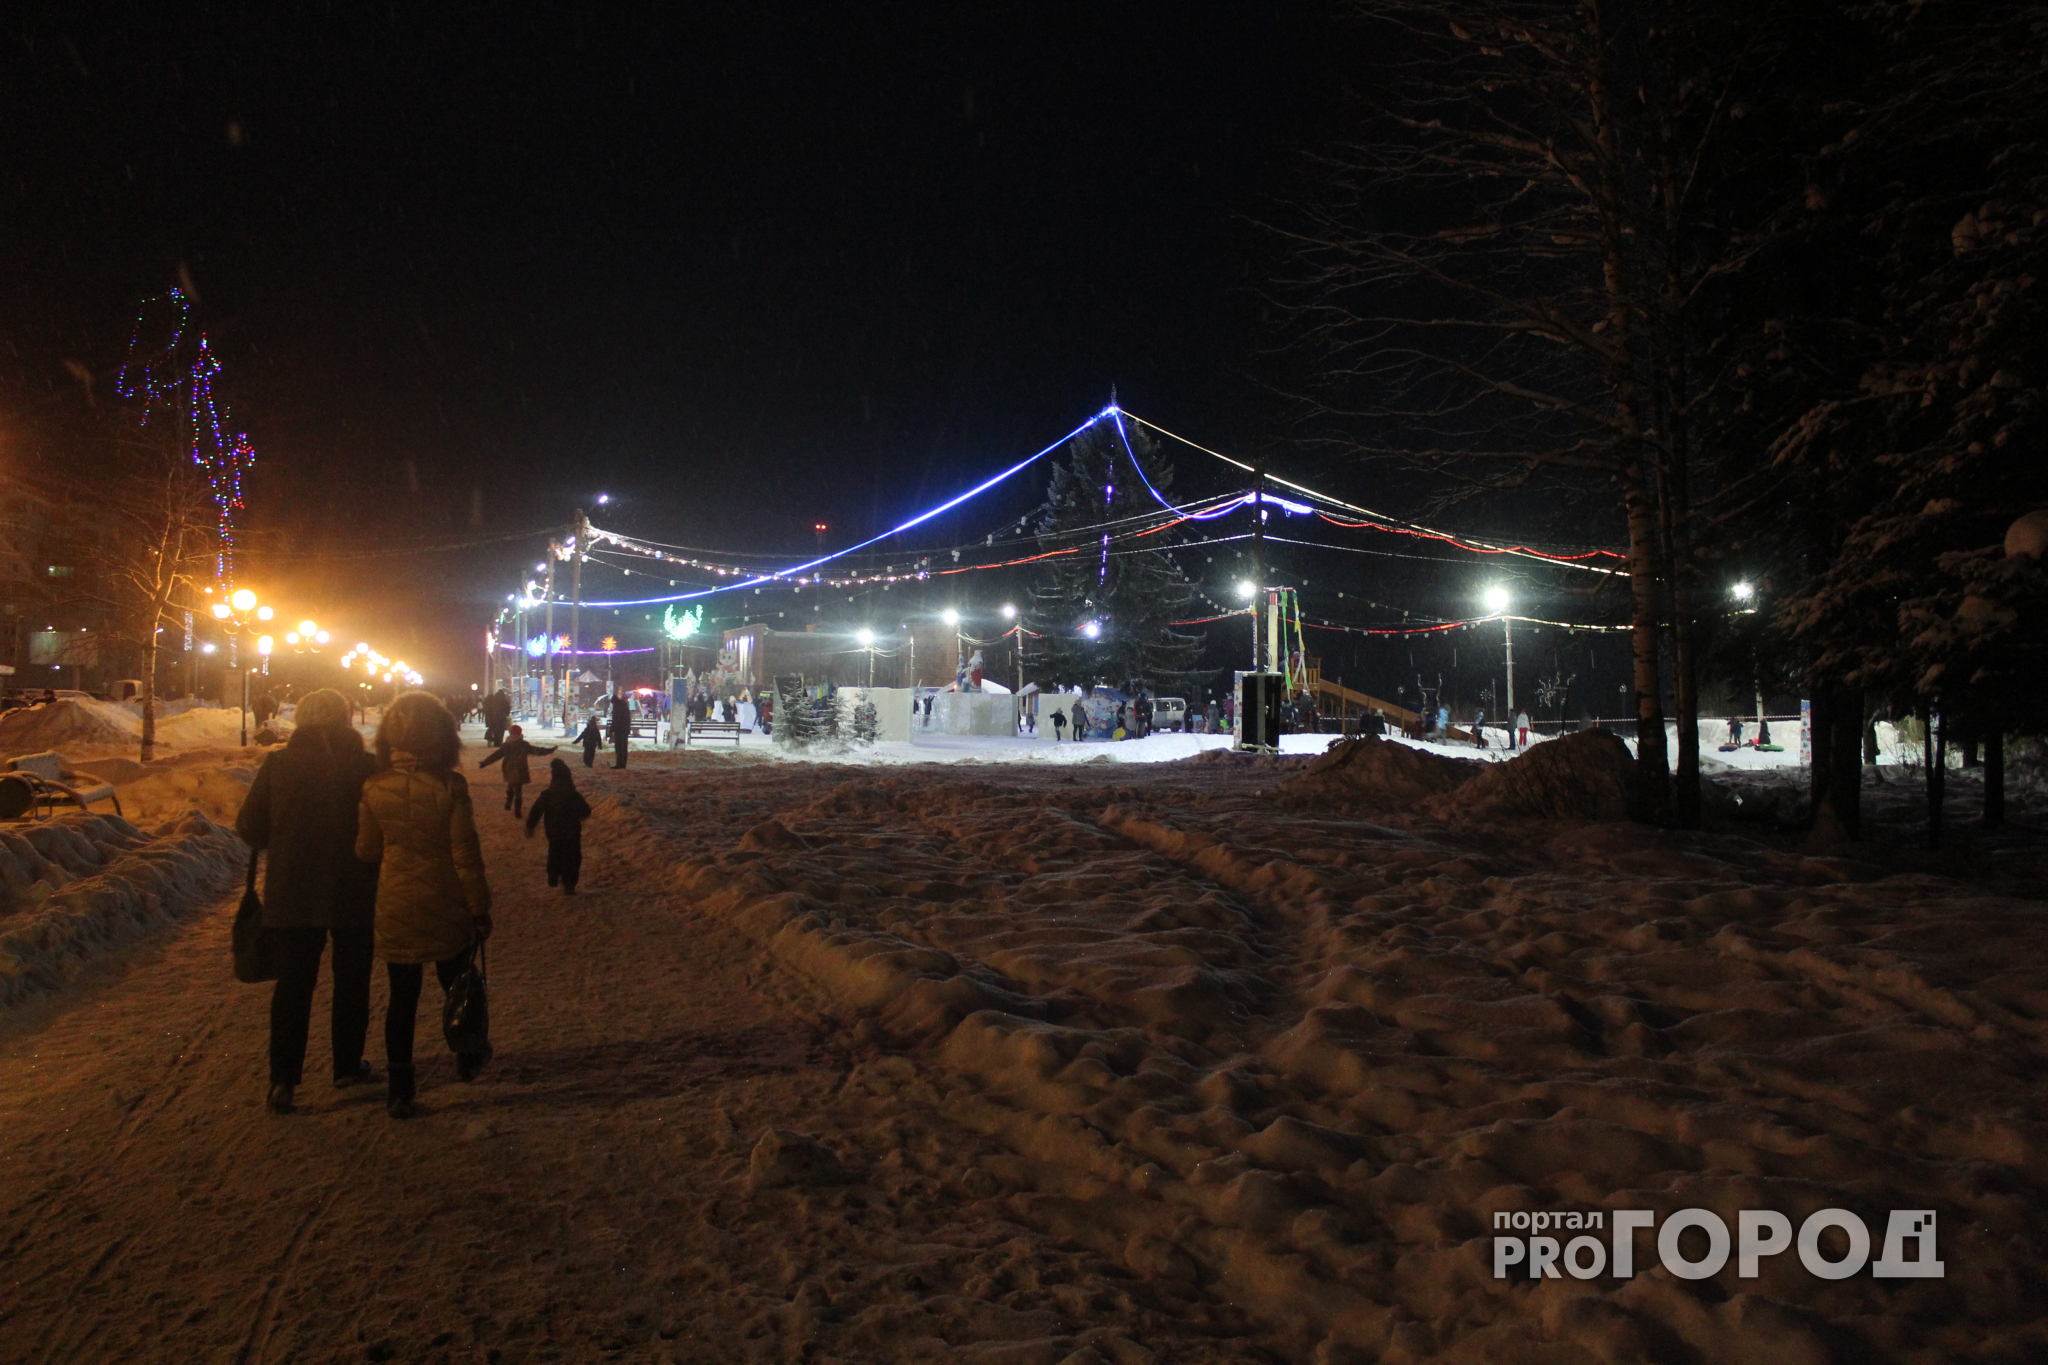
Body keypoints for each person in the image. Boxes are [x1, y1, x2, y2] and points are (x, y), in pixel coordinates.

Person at [235, 688, 379, 1114]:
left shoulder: (278, 765)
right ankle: (347, 1065)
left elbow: (249, 826)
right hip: (355, 887)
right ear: (346, 720)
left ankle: (283, 1080)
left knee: (294, 985)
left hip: (292, 891)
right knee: (352, 980)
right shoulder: (367, 767)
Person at [355, 692, 493, 1119]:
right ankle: (467, 1053)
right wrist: (480, 909)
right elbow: (465, 856)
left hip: (396, 903)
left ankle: (400, 1088)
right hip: (446, 901)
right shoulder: (450, 788)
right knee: (457, 984)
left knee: (402, 998)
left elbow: (366, 851)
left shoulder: (373, 788)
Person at [525, 758, 593, 895]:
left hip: (553, 831)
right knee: (572, 857)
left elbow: (536, 810)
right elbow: (586, 811)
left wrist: (530, 826)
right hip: (571, 832)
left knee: (555, 852)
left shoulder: (547, 795)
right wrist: (581, 815)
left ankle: (553, 873)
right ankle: (569, 883)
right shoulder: (574, 796)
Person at [477, 723, 556, 816]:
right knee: (518, 790)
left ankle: (509, 803)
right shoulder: (523, 744)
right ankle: (517, 810)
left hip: (509, 768)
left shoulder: (507, 745)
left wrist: (485, 763)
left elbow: (496, 755)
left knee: (511, 785)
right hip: (520, 769)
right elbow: (536, 750)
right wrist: (549, 750)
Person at [609, 689, 633, 769]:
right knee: (624, 747)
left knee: (619, 747)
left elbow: (616, 720)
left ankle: (619, 763)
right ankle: (623, 764)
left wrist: (611, 729)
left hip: (619, 730)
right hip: (625, 730)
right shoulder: (624, 707)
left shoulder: (617, 708)